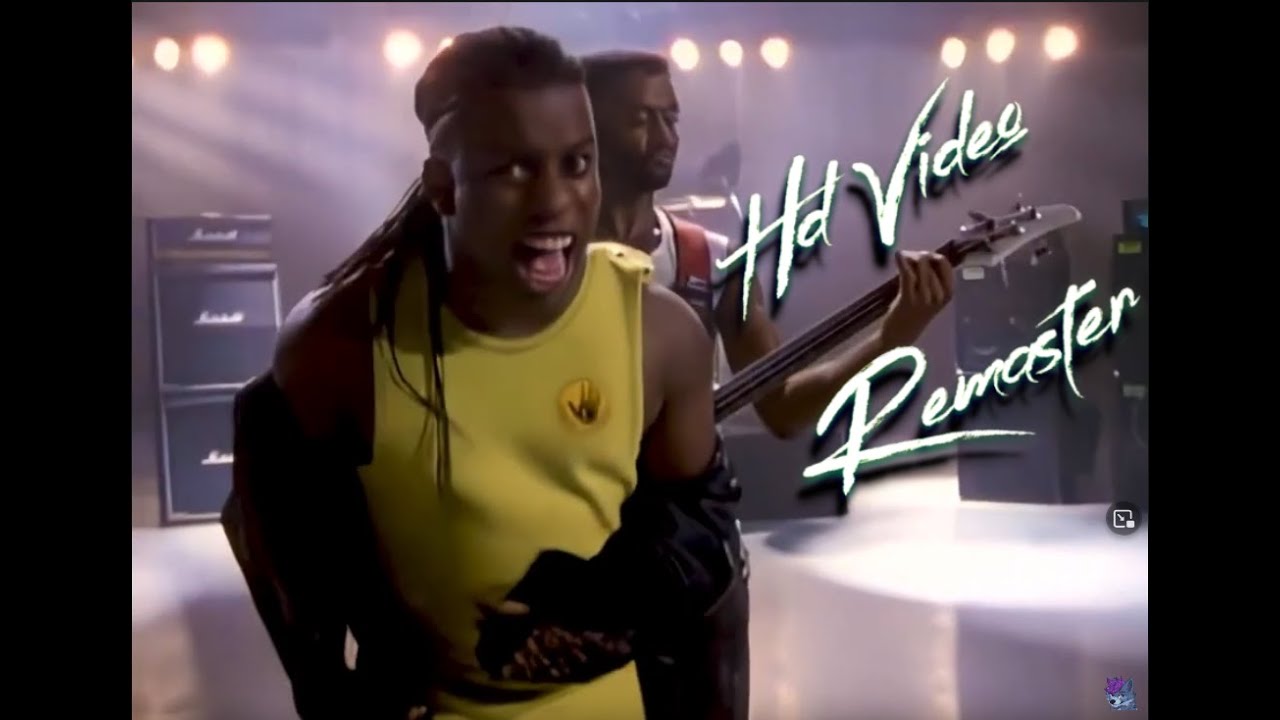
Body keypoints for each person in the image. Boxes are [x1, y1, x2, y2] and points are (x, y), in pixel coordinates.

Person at [229, 27, 746, 720]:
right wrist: (329, 687)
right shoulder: (339, 345)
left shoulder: (660, 334)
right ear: (443, 187)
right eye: (514, 170)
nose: (554, 200)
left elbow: (704, 524)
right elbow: (272, 539)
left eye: (577, 163)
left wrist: (613, 593)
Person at [583, 51, 955, 439]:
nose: (666, 137)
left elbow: (783, 407)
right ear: (586, 129)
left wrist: (889, 341)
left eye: (670, 119)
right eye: (641, 120)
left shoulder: (714, 259)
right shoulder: (548, 257)